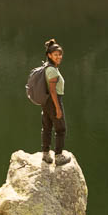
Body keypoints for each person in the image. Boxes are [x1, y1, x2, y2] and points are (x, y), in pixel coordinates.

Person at [41, 37, 70, 166]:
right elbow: (53, 90)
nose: (59, 57)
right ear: (49, 55)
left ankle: (46, 154)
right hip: (54, 100)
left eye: (60, 54)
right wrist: (58, 108)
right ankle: (58, 156)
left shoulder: (47, 67)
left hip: (45, 101)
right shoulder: (52, 70)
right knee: (61, 129)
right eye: (56, 55)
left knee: (47, 127)